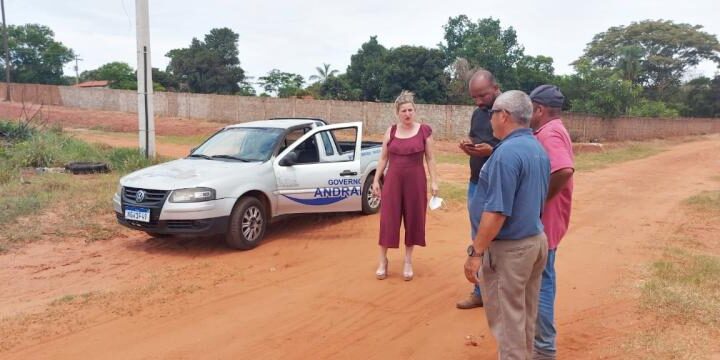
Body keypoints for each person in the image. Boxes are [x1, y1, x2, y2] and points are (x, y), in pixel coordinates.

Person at [463, 90, 550, 359]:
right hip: (534, 242)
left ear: (504, 115)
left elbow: (497, 212)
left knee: (507, 324)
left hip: (510, 250)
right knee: (523, 317)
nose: (489, 121)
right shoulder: (536, 148)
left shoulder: (506, 154)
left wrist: (476, 253)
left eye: (492, 114)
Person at [529, 85, 575, 360]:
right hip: (551, 219)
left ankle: (544, 349)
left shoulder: (549, 133)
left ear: (539, 110)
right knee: (542, 279)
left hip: (546, 221)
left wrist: (539, 199)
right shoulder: (554, 128)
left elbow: (564, 169)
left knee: (542, 282)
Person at [373, 90, 438, 281]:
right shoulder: (391, 131)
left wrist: (435, 181)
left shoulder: (424, 130)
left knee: (414, 219)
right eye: (404, 111)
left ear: (415, 111)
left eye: (410, 110)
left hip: (416, 180)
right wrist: (376, 180)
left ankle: (408, 261)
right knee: (388, 219)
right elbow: (383, 158)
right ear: (397, 113)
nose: (407, 114)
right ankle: (383, 260)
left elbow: (431, 158)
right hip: (393, 180)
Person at [457, 69, 501, 310]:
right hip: (476, 184)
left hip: (500, 186)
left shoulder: (509, 113)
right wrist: (469, 147)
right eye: (474, 97)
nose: (478, 101)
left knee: (500, 239)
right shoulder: (478, 113)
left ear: (495, 88)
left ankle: (501, 293)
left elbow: (515, 145)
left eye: (482, 95)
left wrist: (492, 151)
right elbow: (476, 139)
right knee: (477, 237)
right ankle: (480, 291)